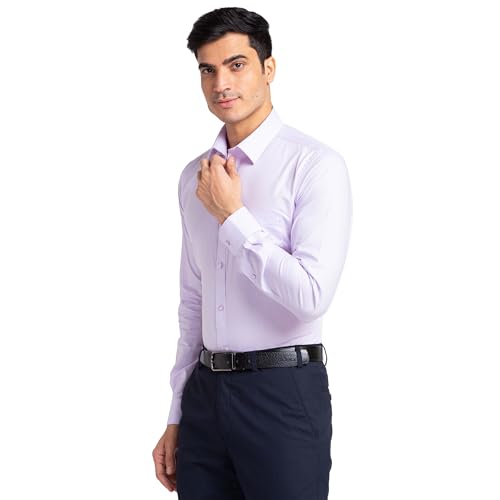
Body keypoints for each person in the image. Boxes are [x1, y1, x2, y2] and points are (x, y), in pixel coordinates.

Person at [152, 7, 353, 499]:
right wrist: (177, 413)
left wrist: (233, 216)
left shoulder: (314, 165)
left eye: (236, 64)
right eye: (208, 69)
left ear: (269, 68)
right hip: (204, 397)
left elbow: (311, 296)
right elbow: (193, 302)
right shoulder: (194, 177)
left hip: (283, 394)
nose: (220, 83)